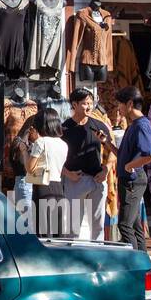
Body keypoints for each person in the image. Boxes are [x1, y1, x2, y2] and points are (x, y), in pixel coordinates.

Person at [60, 87, 113, 241]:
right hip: (75, 179)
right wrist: (67, 173)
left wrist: (106, 170)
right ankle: (73, 257)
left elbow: (113, 151)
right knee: (72, 225)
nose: (89, 106)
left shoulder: (99, 125)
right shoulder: (64, 128)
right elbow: (55, 156)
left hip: (97, 179)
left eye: (90, 103)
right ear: (74, 105)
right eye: (84, 103)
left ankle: (98, 256)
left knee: (98, 224)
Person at [114, 86, 151, 250]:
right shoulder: (133, 125)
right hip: (128, 180)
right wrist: (107, 143)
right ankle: (142, 259)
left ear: (129, 103)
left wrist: (130, 166)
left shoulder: (141, 125)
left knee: (124, 225)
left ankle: (133, 264)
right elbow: (124, 156)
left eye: (120, 104)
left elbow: (150, 155)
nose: (118, 108)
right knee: (135, 225)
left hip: (133, 181)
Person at [26, 108, 68, 236]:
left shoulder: (41, 142)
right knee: (58, 230)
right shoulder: (63, 144)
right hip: (59, 187)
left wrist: (24, 151)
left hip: (42, 187)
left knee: (43, 230)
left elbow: (29, 168)